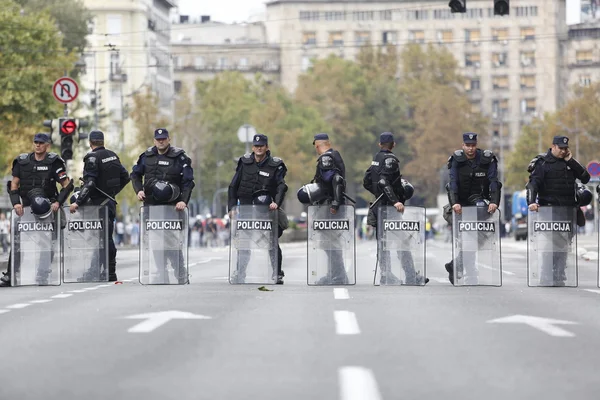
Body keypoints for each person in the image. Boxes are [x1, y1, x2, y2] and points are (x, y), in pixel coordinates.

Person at [0, 133, 73, 287]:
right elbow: (13, 185)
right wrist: (15, 204)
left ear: (47, 145)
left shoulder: (54, 162)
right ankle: (11, 275)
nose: (38, 145)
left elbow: (67, 185)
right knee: (17, 242)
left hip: (48, 210)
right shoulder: (22, 162)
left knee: (47, 243)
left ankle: (42, 273)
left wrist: (58, 203)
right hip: (26, 209)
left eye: (41, 143)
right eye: (36, 142)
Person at [130, 128, 195, 284]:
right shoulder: (146, 157)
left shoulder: (180, 157)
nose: (161, 141)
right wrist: (138, 190)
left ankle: (180, 273)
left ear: (169, 139)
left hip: (173, 206)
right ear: (154, 140)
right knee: (155, 241)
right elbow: (135, 175)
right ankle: (161, 272)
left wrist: (183, 201)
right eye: (158, 139)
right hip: (151, 206)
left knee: (172, 241)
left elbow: (188, 182)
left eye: (164, 139)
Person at [363, 132, 428, 285]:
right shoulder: (390, 160)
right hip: (389, 210)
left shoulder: (376, 159)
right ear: (393, 145)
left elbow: (366, 181)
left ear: (380, 144)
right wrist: (394, 201)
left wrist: (378, 194)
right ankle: (411, 277)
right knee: (403, 242)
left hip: (379, 209)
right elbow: (384, 182)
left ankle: (386, 275)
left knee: (383, 243)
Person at [527, 135, 590, 286]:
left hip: (567, 211)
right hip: (549, 211)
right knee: (549, 245)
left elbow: (586, 178)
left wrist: (571, 162)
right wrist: (531, 202)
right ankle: (546, 273)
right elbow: (533, 185)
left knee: (563, 245)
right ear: (553, 146)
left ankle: (559, 273)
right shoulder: (543, 163)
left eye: (565, 148)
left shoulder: (570, 162)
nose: (563, 151)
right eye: (560, 148)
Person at [69, 130, 131, 282]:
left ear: (90, 142)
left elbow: (90, 183)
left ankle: (103, 271)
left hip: (97, 205)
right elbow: (125, 177)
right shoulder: (113, 155)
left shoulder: (92, 157)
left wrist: (78, 202)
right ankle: (103, 271)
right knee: (104, 238)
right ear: (103, 141)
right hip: (109, 203)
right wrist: (112, 192)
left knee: (100, 239)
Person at [228, 134, 288, 284]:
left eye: (261, 145)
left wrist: (277, 203)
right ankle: (240, 273)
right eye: (256, 146)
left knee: (272, 242)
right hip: (246, 208)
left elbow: (281, 186)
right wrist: (231, 207)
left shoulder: (276, 164)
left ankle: (277, 273)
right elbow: (233, 186)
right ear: (253, 147)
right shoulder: (245, 162)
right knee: (243, 243)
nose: (258, 148)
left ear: (267, 147)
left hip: (266, 210)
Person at [444, 132, 501, 284]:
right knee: (467, 240)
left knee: (476, 239)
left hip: (479, 203)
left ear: (476, 145)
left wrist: (494, 201)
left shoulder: (486, 159)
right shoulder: (457, 159)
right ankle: (468, 271)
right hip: (459, 206)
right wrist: (454, 202)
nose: (470, 149)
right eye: (467, 146)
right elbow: (452, 183)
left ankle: (456, 265)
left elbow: (494, 181)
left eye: (473, 145)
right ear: (463, 145)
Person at [297, 133, 349, 285]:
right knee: (330, 244)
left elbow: (337, 180)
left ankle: (338, 276)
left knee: (330, 244)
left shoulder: (326, 158)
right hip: (331, 206)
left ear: (317, 145)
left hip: (329, 208)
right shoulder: (334, 156)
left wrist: (335, 204)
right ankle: (334, 274)